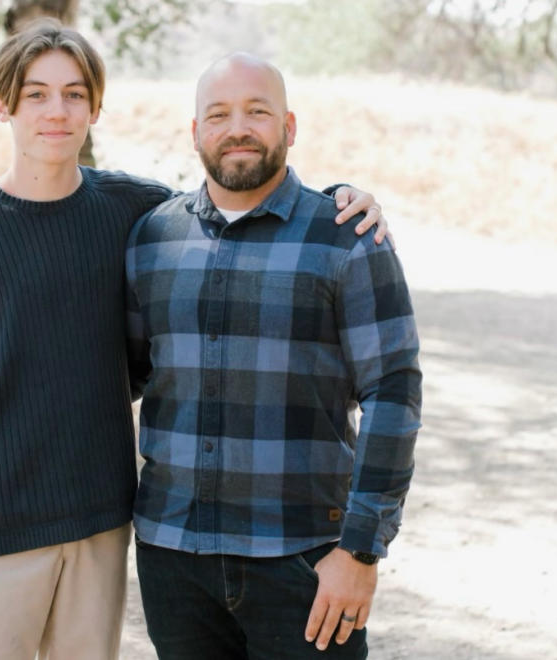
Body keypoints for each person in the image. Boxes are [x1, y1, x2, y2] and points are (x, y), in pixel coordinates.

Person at [0, 20, 388, 660]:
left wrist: (340, 199)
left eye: (74, 94)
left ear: (95, 108)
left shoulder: (135, 211)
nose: (56, 111)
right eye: (35, 94)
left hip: (102, 523)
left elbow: (235, 197)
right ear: (2, 105)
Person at [126, 52, 422, 659]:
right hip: (173, 559)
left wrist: (360, 550)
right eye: (219, 113)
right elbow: (127, 374)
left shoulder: (345, 236)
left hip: (306, 562)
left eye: (257, 111)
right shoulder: (153, 237)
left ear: (289, 128)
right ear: (195, 132)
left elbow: (393, 395)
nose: (238, 127)